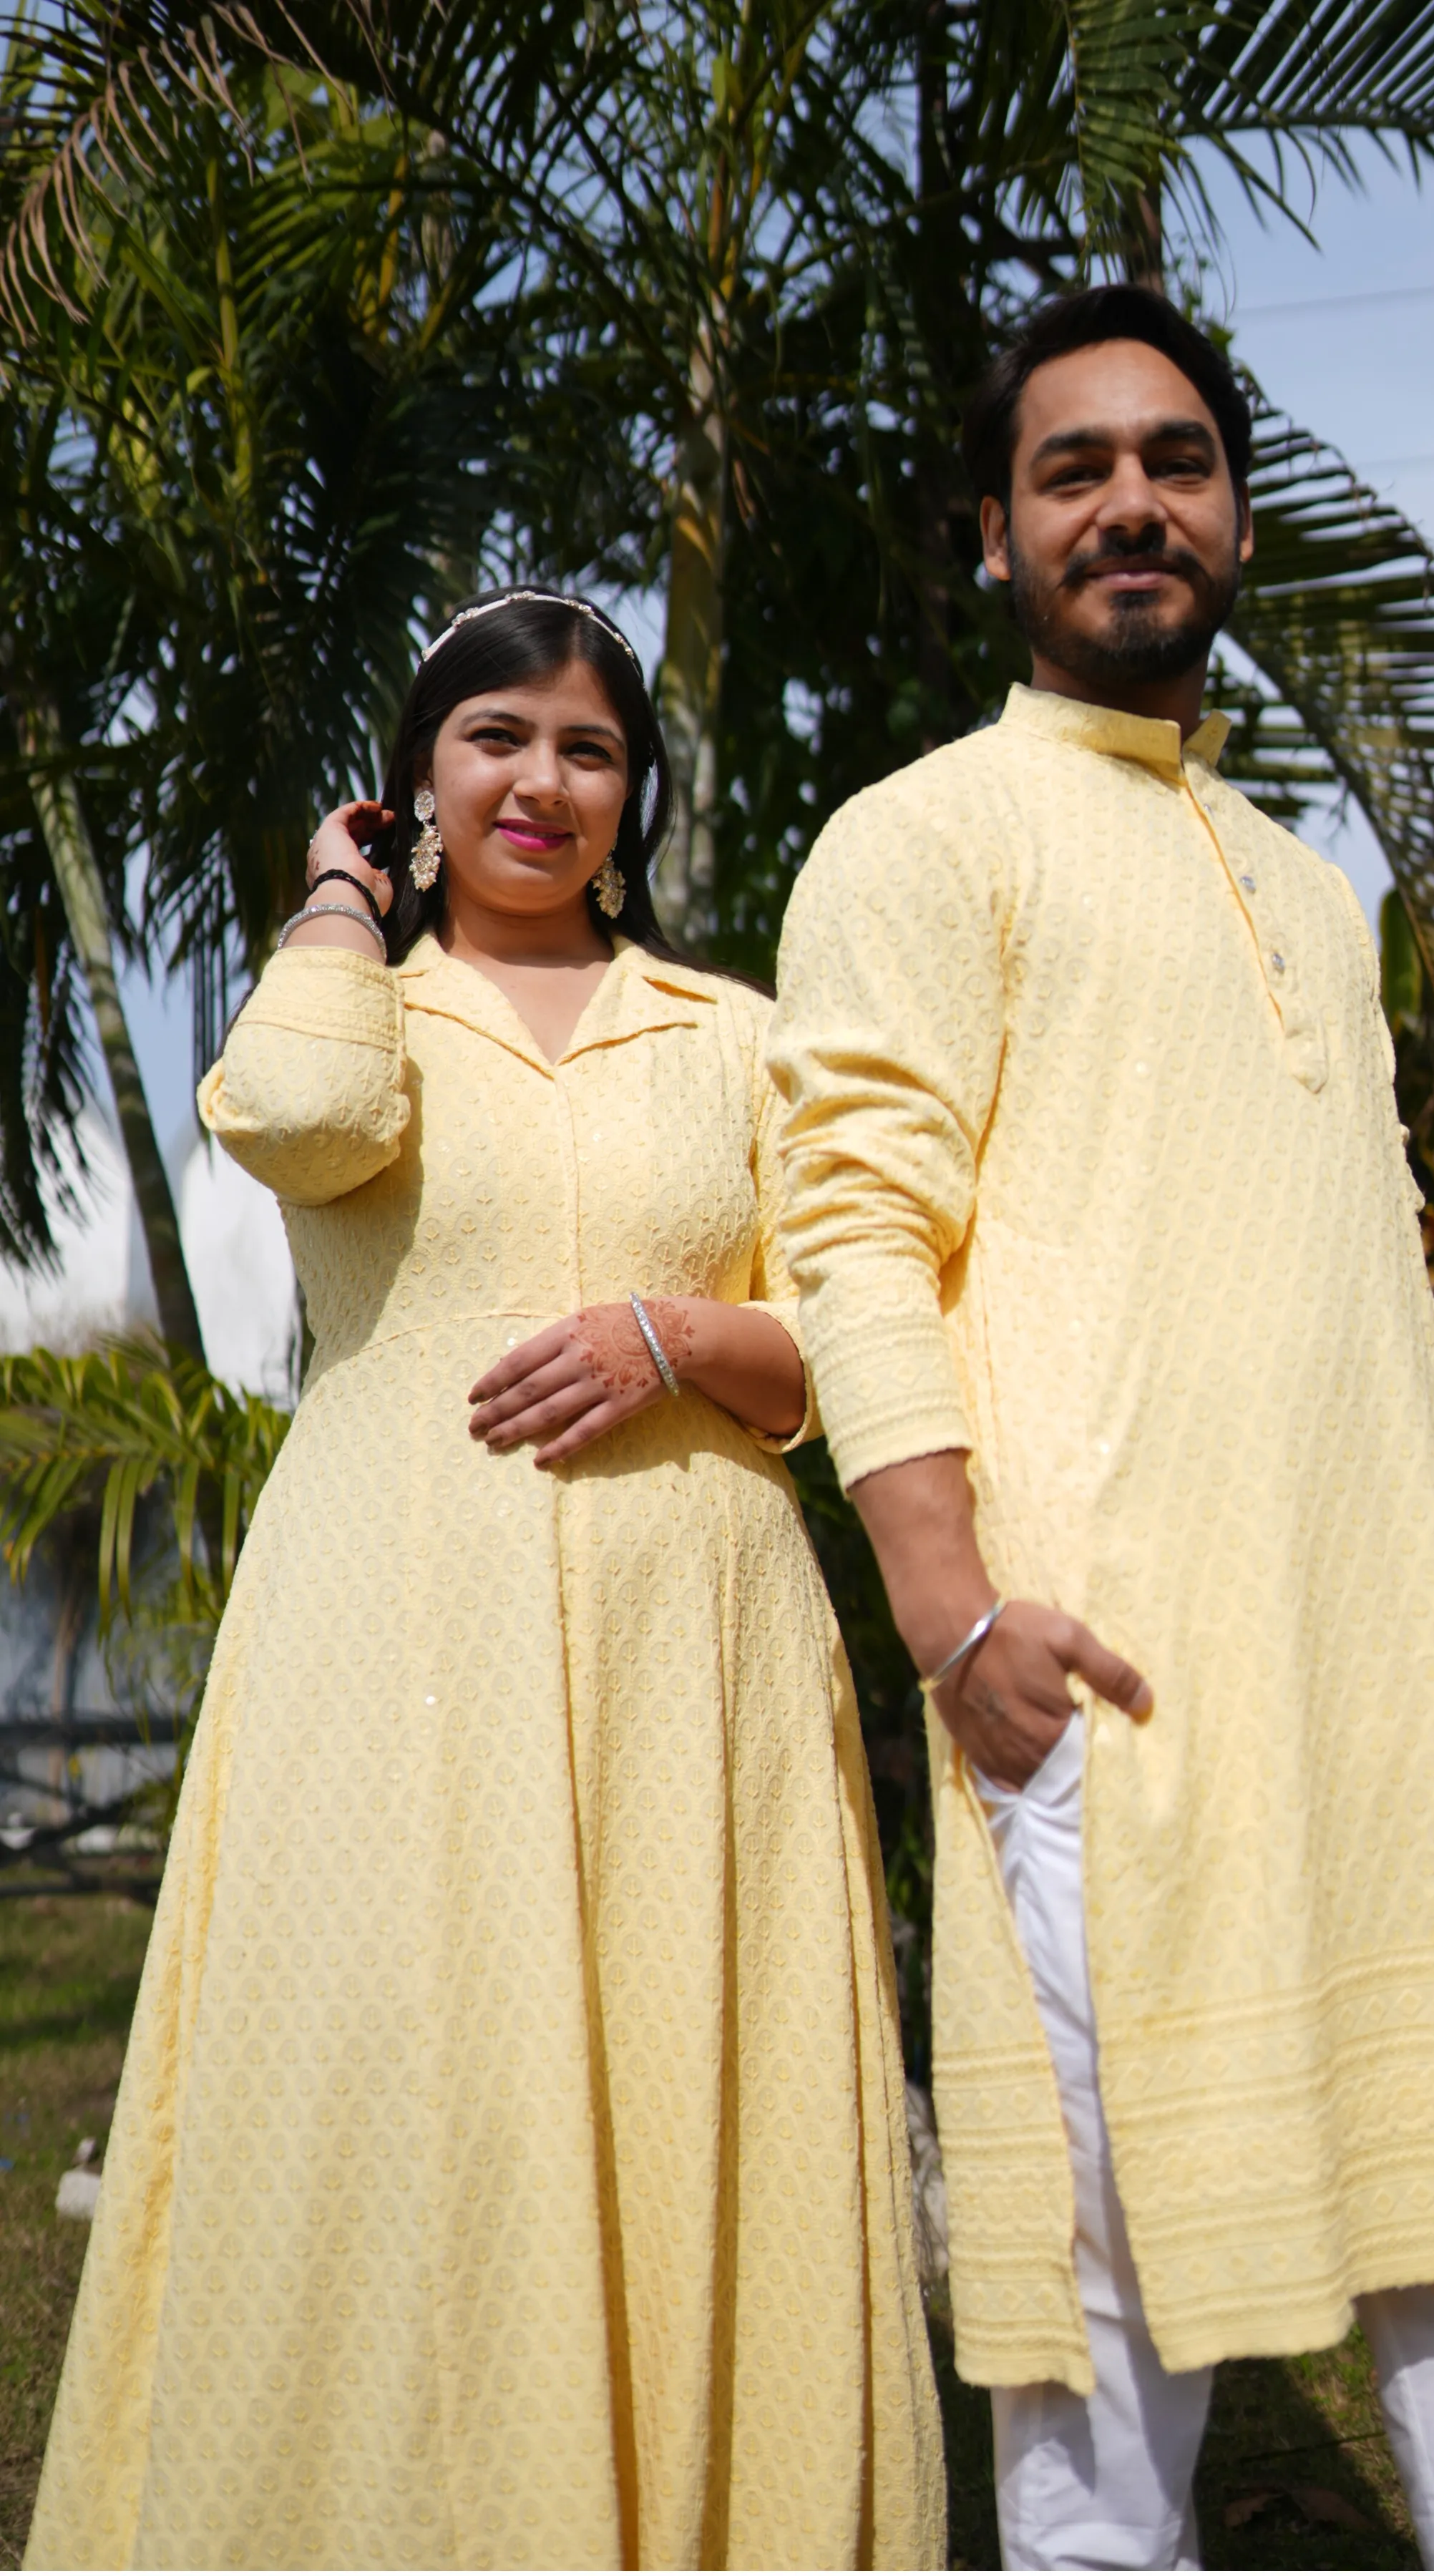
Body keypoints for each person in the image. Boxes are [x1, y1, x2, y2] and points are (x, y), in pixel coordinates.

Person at [766, 290, 1434, 2572]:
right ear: (993, 538)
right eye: (1076, 471)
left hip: (1390, 1713)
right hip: (1117, 1705)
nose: (1134, 503)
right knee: (1103, 2398)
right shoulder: (918, 838)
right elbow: (852, 1232)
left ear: (1234, 512)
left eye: (1177, 460)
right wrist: (957, 1624)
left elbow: (1375, 1268)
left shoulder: (1303, 886)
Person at [26, 588, 943, 2573]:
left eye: (588, 748)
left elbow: (864, 1342)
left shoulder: (745, 1042)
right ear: (418, 780)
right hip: (392, 1632)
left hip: (690, 1653)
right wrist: (338, 908)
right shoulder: (352, 1003)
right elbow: (299, 1118)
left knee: (696, 2105)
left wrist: (672, 1337)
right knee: (394, 2090)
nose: (543, 782)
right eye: (495, 740)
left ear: (639, 788)